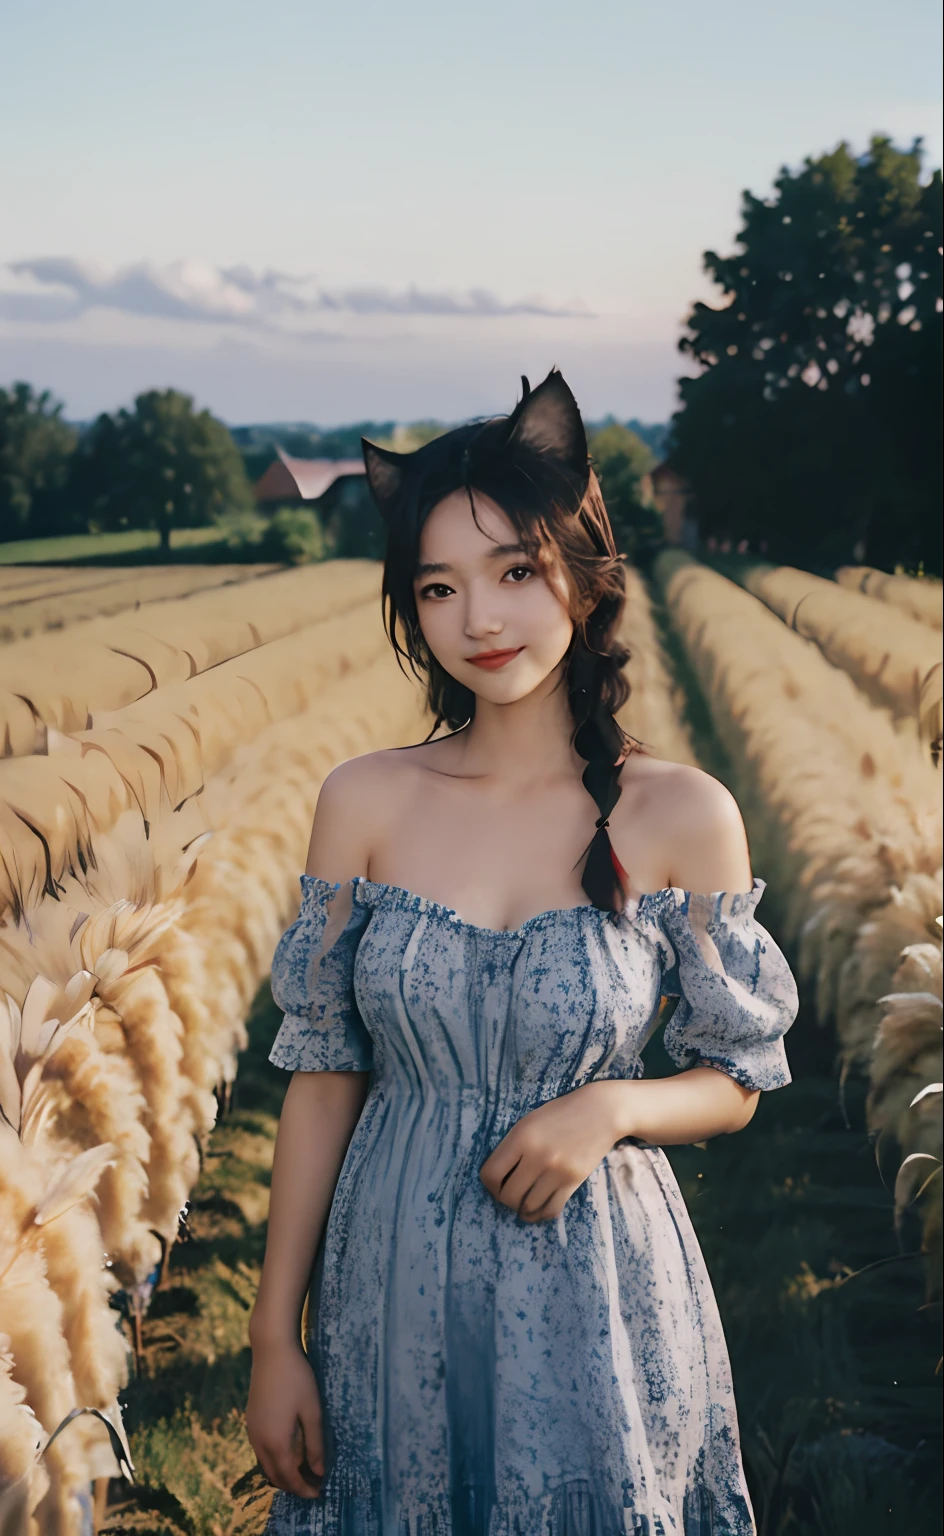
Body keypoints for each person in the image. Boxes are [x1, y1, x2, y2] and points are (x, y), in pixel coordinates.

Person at [246, 368, 798, 1534]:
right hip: (388, 1289)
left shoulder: (679, 814)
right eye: (438, 588)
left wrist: (610, 1109)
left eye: (512, 572)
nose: (479, 621)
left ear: (582, 571)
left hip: (599, 1287)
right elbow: (323, 1077)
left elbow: (736, 1074)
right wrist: (270, 1336)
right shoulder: (365, 802)